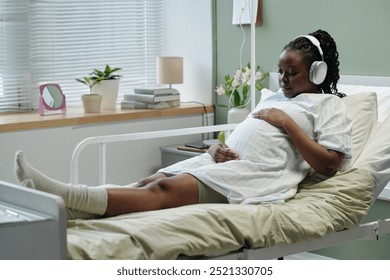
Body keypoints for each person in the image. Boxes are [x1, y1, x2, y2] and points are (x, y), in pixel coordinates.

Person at [14, 29, 352, 219]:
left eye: (292, 72)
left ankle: (62, 195)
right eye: (280, 71)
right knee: (153, 178)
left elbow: (330, 164)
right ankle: (70, 214)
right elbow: (248, 136)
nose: (283, 79)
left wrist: (286, 124)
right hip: (225, 162)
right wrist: (219, 147)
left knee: (161, 191)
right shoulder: (276, 99)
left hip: (258, 177)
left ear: (318, 72)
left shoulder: (328, 106)